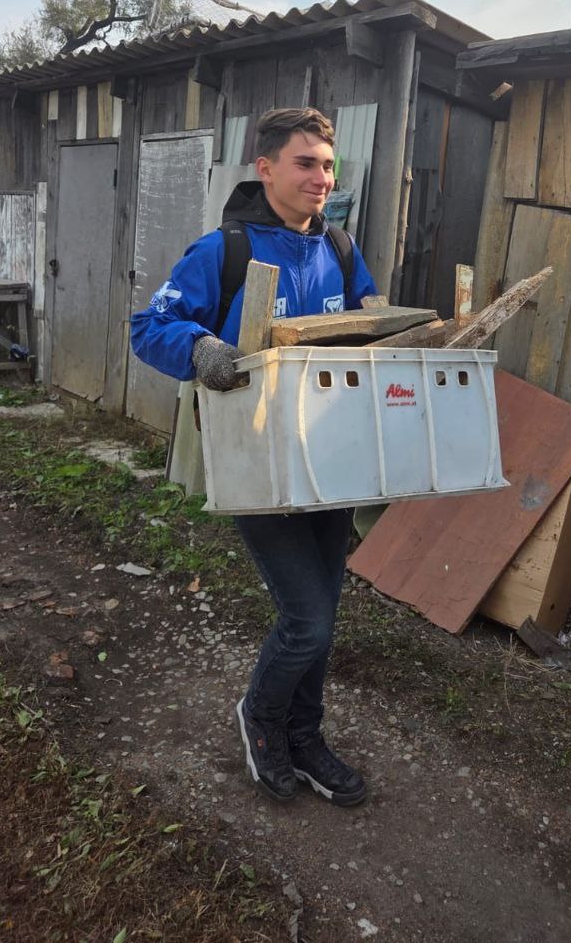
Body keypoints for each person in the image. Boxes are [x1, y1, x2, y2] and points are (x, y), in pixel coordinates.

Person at [130, 106, 378, 806]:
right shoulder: (224, 251)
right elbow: (150, 326)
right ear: (265, 167)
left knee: (322, 613)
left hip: (331, 459)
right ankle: (263, 720)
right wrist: (200, 346)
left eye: (328, 165)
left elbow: (368, 318)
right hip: (257, 461)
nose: (321, 178)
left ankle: (308, 738)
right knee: (307, 618)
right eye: (306, 163)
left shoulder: (339, 249)